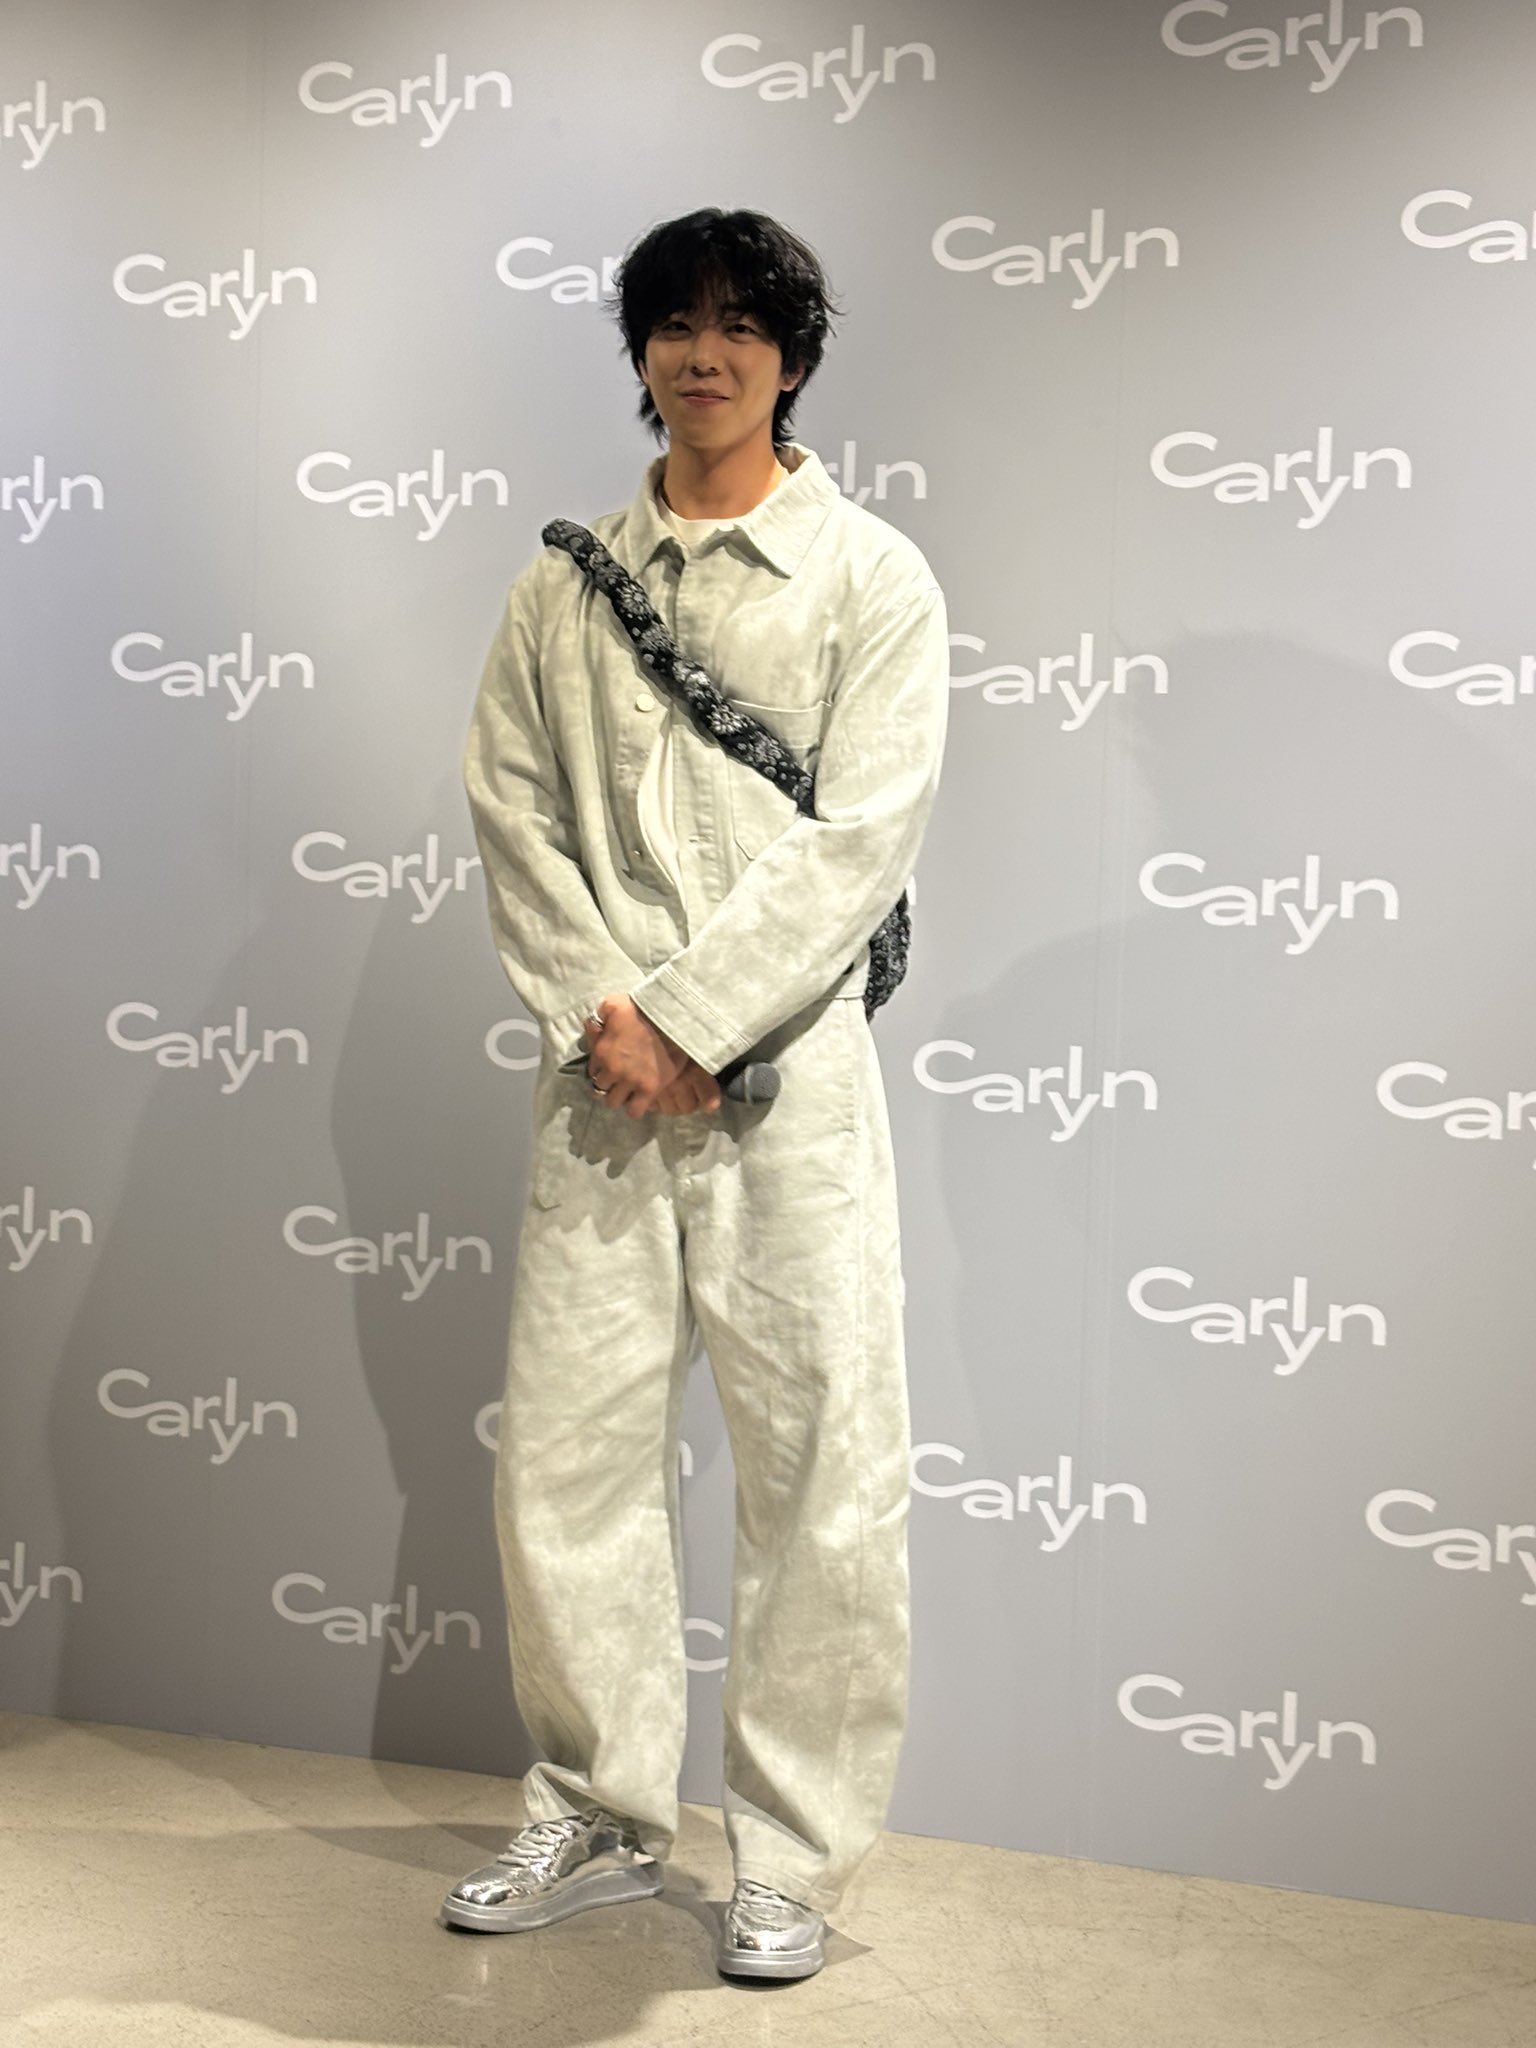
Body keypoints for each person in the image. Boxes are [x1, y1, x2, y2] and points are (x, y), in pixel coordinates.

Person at [446, 207, 950, 1982]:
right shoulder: (564, 582)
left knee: (821, 1470)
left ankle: (794, 1858)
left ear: (793, 358)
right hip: (602, 1085)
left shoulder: (871, 578)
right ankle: (597, 1810)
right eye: (674, 322)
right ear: (642, 352)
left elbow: (862, 839)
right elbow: (512, 809)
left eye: (741, 325)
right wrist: (614, 1019)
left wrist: (696, 1021)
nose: (703, 353)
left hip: (791, 1087)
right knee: (570, 1458)